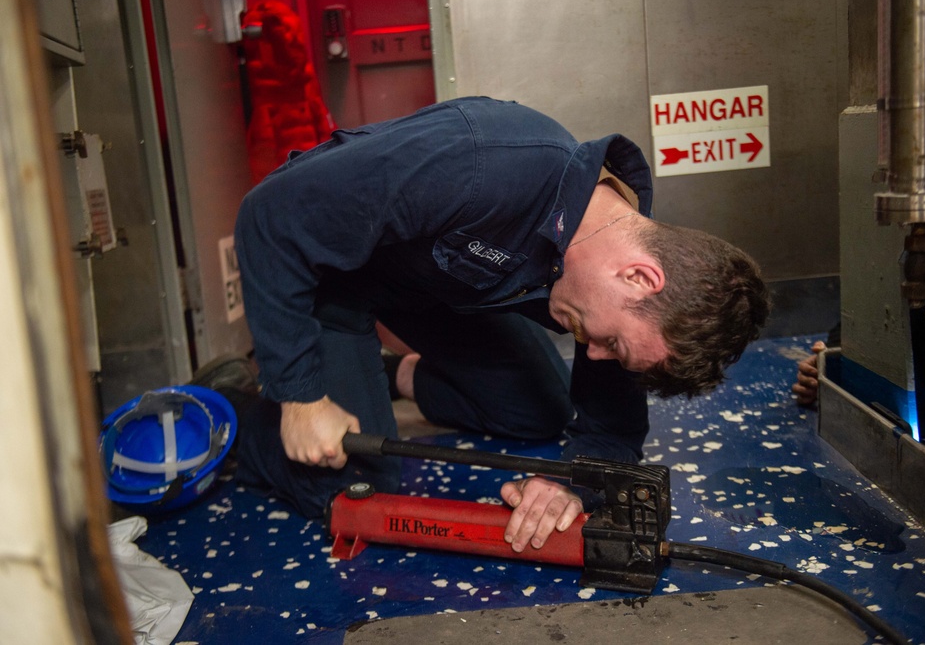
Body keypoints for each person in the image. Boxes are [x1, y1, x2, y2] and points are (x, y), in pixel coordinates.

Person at [233, 97, 769, 553]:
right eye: (612, 344)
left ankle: (393, 374)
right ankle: (232, 413)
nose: (599, 356)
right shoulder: (479, 163)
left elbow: (611, 429)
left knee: (542, 411)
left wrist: (573, 486)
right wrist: (301, 398)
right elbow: (269, 216)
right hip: (333, 281)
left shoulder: (623, 278)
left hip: (432, 287)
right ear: (637, 276)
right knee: (359, 486)